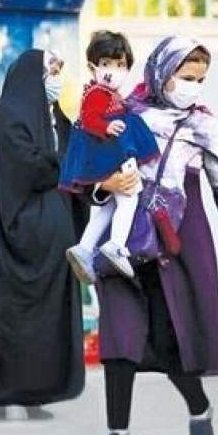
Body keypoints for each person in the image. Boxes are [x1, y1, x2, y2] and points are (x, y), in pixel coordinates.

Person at [88, 36, 218, 435]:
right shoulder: (122, 113)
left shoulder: (202, 125)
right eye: (186, 77)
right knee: (119, 340)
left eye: (200, 80)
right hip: (122, 243)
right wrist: (103, 185)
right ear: (161, 73)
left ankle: (199, 407)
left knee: (169, 339)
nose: (193, 87)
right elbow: (86, 167)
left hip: (175, 243)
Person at [0, 50, 87, 420]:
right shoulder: (10, 117)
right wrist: (61, 161)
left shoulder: (52, 116)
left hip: (52, 242)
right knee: (15, 318)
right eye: (51, 72)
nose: (56, 80)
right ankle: (1, 397)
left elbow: (76, 154)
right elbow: (29, 169)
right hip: (20, 239)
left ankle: (36, 395)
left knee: (47, 323)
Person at [61, 30, 159, 281]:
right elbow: (89, 119)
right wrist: (106, 127)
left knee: (109, 205)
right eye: (106, 64)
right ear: (92, 66)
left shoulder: (109, 95)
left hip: (108, 156)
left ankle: (84, 247)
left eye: (120, 65)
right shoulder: (96, 94)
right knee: (130, 197)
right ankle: (116, 245)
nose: (113, 70)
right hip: (111, 155)